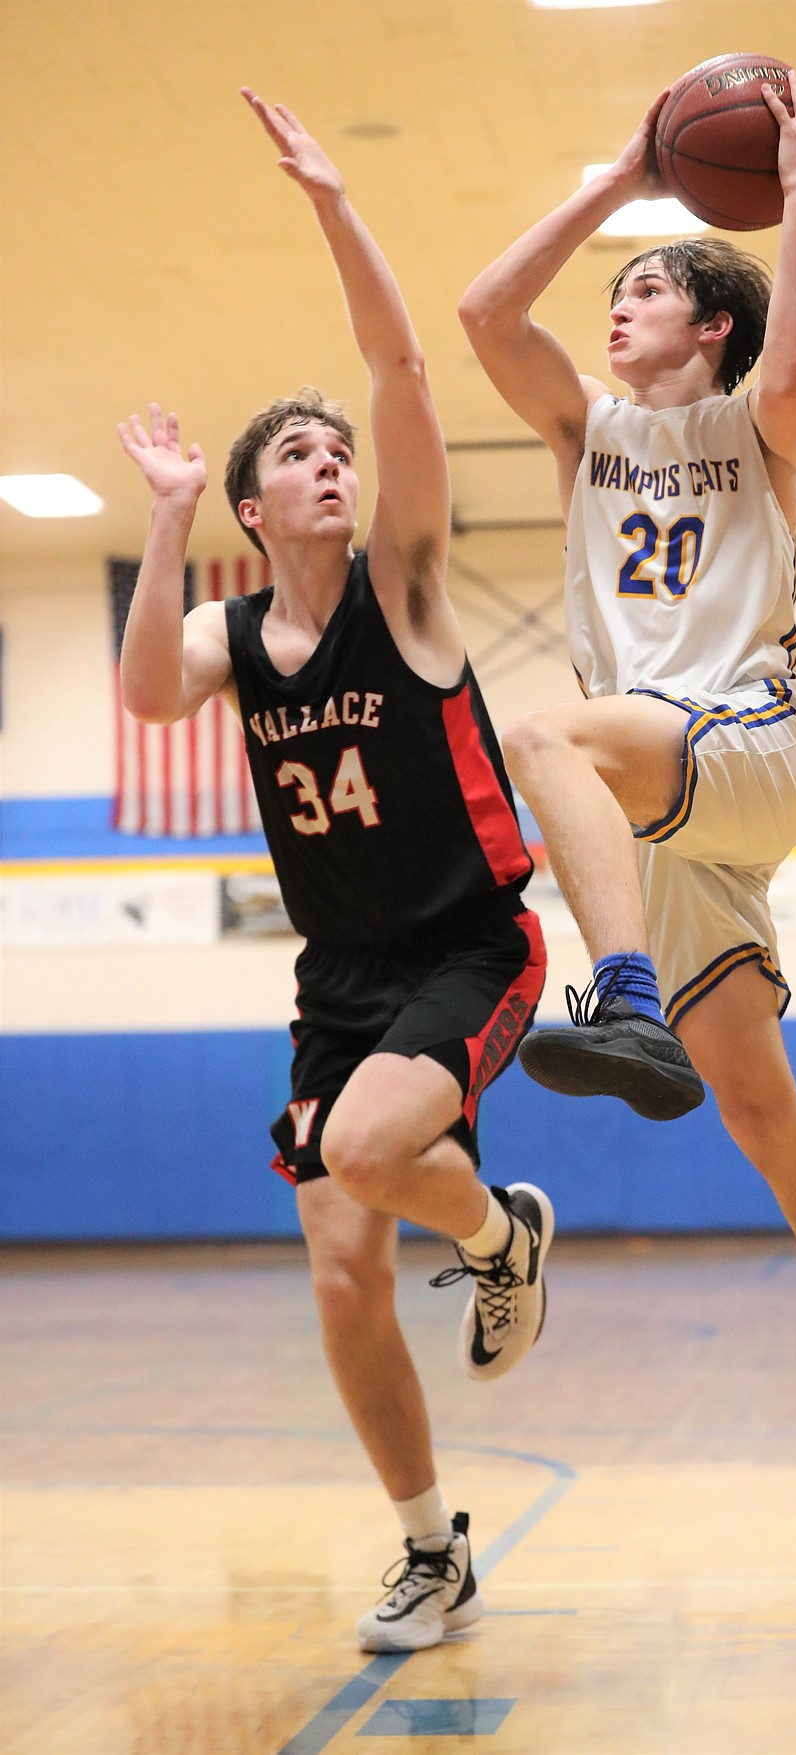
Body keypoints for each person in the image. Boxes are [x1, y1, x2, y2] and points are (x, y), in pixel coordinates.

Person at [459, 75, 796, 1538]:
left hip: (741, 734)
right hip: (658, 798)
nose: (615, 308)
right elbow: (484, 316)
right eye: (615, 291)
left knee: (539, 728)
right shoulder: (588, 437)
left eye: (644, 290)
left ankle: (617, 990)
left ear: (711, 327)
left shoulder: (756, 432)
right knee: (756, 1105)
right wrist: (615, 185)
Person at [117, 90, 554, 1653]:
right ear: (251, 505)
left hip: (473, 947)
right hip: (341, 979)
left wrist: (329, 199)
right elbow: (147, 693)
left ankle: (501, 1232)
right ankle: (431, 1547)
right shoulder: (233, 636)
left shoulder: (409, 583)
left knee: (368, 1154)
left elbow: (401, 367)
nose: (329, 465)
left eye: (334, 452)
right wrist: (166, 519)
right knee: (341, 1274)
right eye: (295, 457)